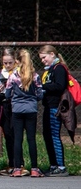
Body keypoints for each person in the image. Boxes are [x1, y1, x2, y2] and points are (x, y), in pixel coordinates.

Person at [5, 49, 44, 177]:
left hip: (17, 109)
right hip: (31, 109)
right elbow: (40, 94)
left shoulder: (13, 76)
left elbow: (7, 94)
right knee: (31, 139)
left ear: (17, 61)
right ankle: (34, 168)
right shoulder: (35, 76)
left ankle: (17, 168)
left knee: (18, 139)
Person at [38, 45, 70, 176]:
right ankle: (53, 165)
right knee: (47, 135)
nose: (43, 61)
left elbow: (60, 86)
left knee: (54, 135)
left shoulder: (59, 68)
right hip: (48, 106)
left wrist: (43, 86)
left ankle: (61, 166)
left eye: (44, 57)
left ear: (52, 54)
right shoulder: (50, 70)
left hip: (55, 107)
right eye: (41, 58)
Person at [0, 48, 17, 175]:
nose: (7, 65)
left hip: (16, 104)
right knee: (7, 134)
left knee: (16, 135)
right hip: (4, 104)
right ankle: (11, 163)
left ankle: (19, 163)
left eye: (10, 63)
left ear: (15, 61)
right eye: (5, 63)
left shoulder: (18, 72)